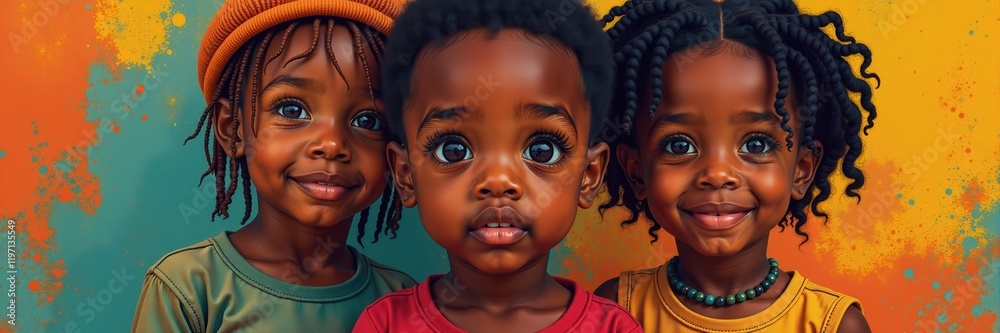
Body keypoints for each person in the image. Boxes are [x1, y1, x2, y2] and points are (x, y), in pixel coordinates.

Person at [353, 0, 642, 331]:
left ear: (589, 176)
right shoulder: (386, 324)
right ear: (406, 175)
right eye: (453, 150)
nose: (498, 180)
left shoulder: (613, 328)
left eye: (543, 151)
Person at [593, 0, 878, 332]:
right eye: (679, 145)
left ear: (800, 170)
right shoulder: (617, 310)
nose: (717, 174)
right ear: (636, 171)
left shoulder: (833, 325)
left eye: (755, 145)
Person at [131, 1, 414, 331]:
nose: (332, 144)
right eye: (292, 111)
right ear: (231, 129)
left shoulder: (401, 299)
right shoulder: (191, 287)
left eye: (368, 119)